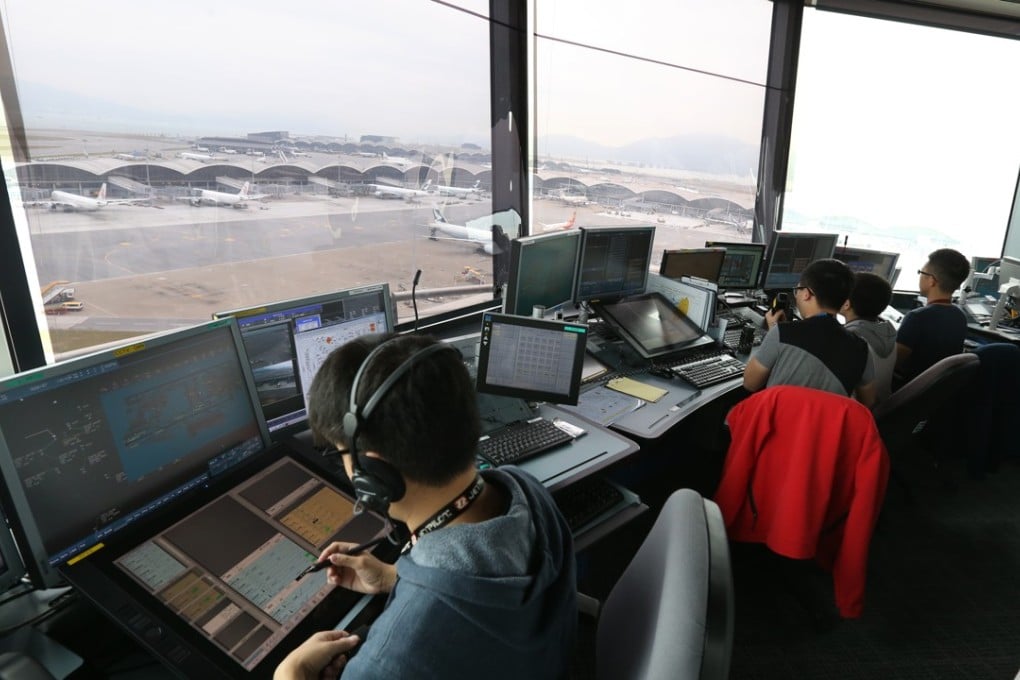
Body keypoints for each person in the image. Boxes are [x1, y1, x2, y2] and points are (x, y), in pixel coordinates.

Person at [275, 333, 577, 680]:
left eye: (340, 452)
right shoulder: (526, 491)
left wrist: (291, 673)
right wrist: (396, 578)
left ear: (372, 470)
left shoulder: (390, 660)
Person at [742, 258, 876, 406]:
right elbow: (867, 403)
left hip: (775, 426)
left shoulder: (783, 333)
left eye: (797, 290)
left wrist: (774, 328)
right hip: (824, 429)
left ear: (806, 293)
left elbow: (750, 383)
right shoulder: (861, 349)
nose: (797, 295)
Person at [895, 248, 970, 383]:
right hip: (937, 391)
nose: (919, 276)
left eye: (921, 273)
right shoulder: (960, 316)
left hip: (909, 390)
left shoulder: (917, 318)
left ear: (931, 281)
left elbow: (894, 362)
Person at [840, 272, 897, 406]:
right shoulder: (888, 333)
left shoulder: (850, 340)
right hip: (883, 409)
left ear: (846, 304)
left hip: (859, 413)